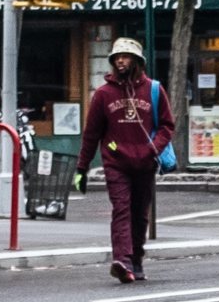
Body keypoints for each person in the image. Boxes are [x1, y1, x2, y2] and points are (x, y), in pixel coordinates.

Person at [73, 37, 174, 283]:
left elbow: (167, 126)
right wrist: (81, 168)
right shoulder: (103, 94)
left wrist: (153, 148)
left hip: (145, 163)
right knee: (121, 209)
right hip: (116, 161)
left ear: (137, 61)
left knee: (140, 214)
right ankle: (122, 260)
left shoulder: (153, 90)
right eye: (117, 57)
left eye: (125, 56)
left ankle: (136, 260)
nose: (120, 61)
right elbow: (91, 134)